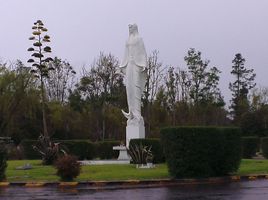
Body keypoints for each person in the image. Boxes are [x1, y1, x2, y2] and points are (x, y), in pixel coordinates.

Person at [119, 24, 147, 125]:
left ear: (135, 28)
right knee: (129, 88)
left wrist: (144, 64)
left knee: (136, 87)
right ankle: (131, 113)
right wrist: (122, 66)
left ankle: (137, 114)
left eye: (131, 28)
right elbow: (125, 53)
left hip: (137, 64)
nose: (129, 30)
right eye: (128, 28)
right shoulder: (127, 40)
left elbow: (143, 52)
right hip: (129, 65)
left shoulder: (139, 39)